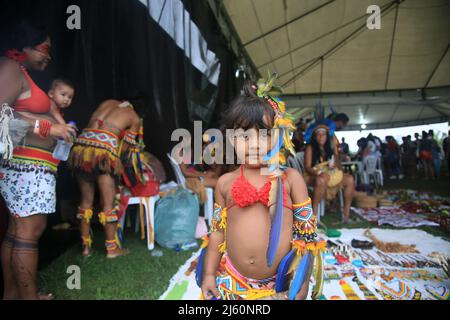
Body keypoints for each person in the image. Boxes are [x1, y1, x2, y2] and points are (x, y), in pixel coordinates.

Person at [198, 77, 325, 300]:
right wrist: (209, 274)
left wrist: (301, 283)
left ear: (279, 136)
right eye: (244, 136)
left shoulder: (290, 179)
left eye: (265, 134)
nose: (254, 144)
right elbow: (218, 232)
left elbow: (307, 236)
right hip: (234, 283)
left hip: (280, 285)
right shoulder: (225, 183)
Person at [0, 21, 76, 300]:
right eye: (45, 48)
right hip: (23, 166)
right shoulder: (9, 68)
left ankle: (13, 295)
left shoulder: (20, 73)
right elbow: (0, 114)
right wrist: (48, 128)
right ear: (26, 46)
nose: (49, 56)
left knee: (19, 229)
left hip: (33, 167)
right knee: (29, 230)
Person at [68, 99, 144, 258]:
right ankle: (112, 249)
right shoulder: (134, 117)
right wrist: (119, 163)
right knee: (109, 203)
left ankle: (86, 248)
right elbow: (125, 148)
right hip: (103, 151)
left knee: (85, 201)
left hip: (81, 148)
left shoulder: (108, 102)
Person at [304, 122, 355, 223]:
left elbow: (338, 167)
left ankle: (346, 214)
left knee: (350, 179)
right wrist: (318, 172)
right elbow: (307, 167)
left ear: (327, 136)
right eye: (318, 134)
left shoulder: (330, 148)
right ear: (314, 137)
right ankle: (313, 216)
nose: (321, 137)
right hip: (313, 176)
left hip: (329, 175)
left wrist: (334, 164)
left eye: (323, 134)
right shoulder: (310, 148)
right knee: (321, 179)